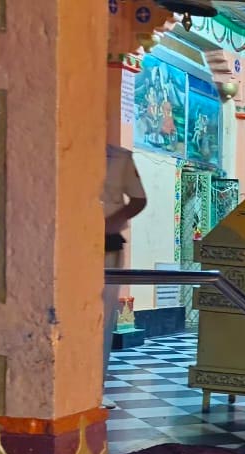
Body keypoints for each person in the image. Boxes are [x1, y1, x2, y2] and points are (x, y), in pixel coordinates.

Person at [102, 145, 148, 389]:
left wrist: (113, 221)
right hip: (70, 237)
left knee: (104, 314)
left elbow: (139, 199)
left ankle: (96, 388)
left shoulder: (119, 157)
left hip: (106, 242)